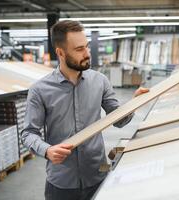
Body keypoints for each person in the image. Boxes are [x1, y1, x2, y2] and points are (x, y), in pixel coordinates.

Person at [21, 20, 149, 200]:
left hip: (97, 176)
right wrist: (47, 150)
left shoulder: (100, 81)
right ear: (60, 53)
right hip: (61, 183)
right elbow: (28, 134)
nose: (87, 53)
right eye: (79, 49)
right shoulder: (40, 90)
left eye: (87, 47)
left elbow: (119, 121)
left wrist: (134, 103)